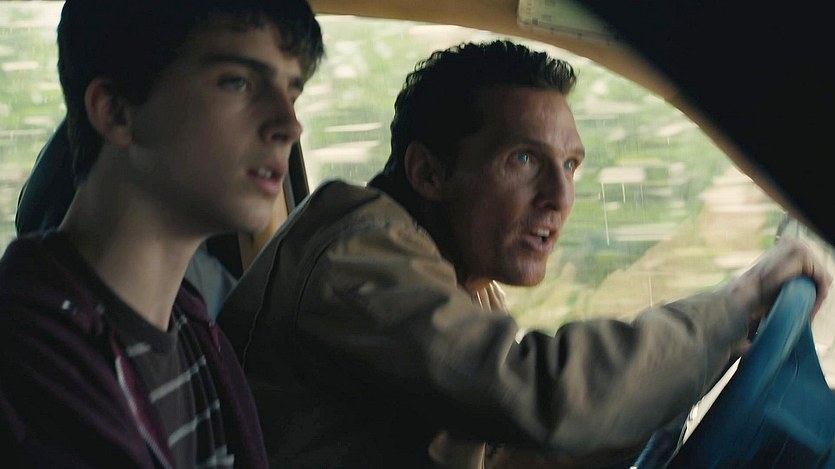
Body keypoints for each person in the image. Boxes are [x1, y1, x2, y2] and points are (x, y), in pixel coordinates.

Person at [217, 40, 831, 468]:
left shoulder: (460, 278)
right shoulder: (355, 253)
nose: (559, 197)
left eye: (570, 165)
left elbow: (504, 454)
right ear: (429, 173)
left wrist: (683, 377)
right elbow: (537, 397)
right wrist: (731, 306)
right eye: (524, 159)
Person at [0, 0, 324, 467]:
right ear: (116, 112)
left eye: (293, 90)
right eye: (237, 82)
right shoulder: (26, 366)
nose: (289, 125)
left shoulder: (194, 332)